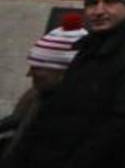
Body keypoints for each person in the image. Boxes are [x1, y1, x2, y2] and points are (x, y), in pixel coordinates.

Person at [4, 0, 125, 168]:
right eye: (92, 4)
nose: (99, 10)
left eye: (109, 2)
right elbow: (58, 108)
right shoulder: (90, 45)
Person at [0, 13, 87, 163]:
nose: (29, 74)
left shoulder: (77, 108)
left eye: (38, 68)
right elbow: (17, 120)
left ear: (64, 72)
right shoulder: (37, 94)